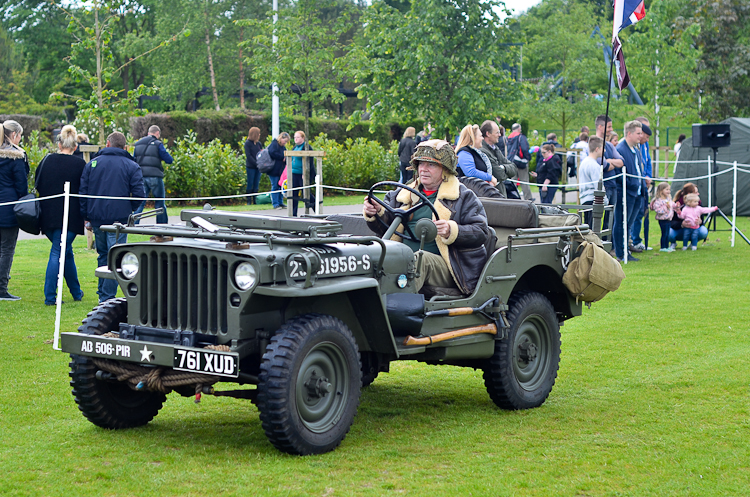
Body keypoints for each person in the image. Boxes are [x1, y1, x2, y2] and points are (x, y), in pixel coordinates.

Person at [362, 139, 489, 295]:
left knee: (420, 260)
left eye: (431, 165)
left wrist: (451, 230)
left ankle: (395, 309)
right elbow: (385, 228)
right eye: (420, 164)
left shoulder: (463, 196)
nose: (423, 169)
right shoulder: (402, 195)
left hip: (450, 268)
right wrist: (376, 212)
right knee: (370, 257)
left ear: (445, 170)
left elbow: (482, 232)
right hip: (401, 257)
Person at [80, 131, 145, 302]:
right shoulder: (131, 165)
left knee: (103, 255)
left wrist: (86, 216)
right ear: (124, 147)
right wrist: (127, 209)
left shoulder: (92, 164)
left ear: (107, 144)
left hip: (97, 217)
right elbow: (139, 194)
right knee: (115, 257)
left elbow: (83, 193)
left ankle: (104, 295)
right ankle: (106, 297)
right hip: (119, 220)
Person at [35, 125, 86, 305]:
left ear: (59, 144)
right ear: (75, 146)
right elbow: (85, 190)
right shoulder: (80, 165)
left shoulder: (46, 160)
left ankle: (76, 292)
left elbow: (37, 183)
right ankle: (50, 297)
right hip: (70, 218)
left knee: (66, 252)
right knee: (59, 252)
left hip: (47, 216)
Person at [0, 120, 28, 301]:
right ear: (14, 135)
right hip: (9, 208)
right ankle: (2, 288)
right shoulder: (15, 157)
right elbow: (21, 186)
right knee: (7, 249)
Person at [613, 120, 647, 262]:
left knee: (629, 223)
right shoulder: (621, 149)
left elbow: (638, 168)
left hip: (637, 192)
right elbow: (618, 173)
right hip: (626, 192)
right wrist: (630, 184)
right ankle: (620, 253)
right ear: (629, 133)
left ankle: (626, 250)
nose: (641, 136)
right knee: (621, 222)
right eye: (638, 133)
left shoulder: (636, 148)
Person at [132, 125, 173, 224]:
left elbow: (134, 160)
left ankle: (134, 224)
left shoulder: (138, 144)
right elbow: (169, 160)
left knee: (140, 202)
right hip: (155, 176)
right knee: (159, 202)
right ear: (157, 133)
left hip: (141, 176)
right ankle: (162, 225)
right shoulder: (158, 144)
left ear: (148, 132)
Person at [595, 115, 624, 238]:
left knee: (610, 220)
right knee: (597, 219)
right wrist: (610, 162)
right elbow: (602, 164)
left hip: (613, 185)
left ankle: (608, 247)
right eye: (609, 126)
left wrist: (609, 160)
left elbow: (621, 161)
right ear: (600, 127)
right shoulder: (593, 143)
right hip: (602, 186)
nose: (611, 129)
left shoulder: (609, 145)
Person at [630, 118, 653, 252]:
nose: (646, 136)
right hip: (635, 183)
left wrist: (647, 176)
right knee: (635, 213)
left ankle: (639, 240)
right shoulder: (632, 145)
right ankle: (634, 240)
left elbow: (647, 161)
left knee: (642, 212)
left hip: (644, 182)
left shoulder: (645, 145)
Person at [480, 120, 517, 198]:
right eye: (497, 132)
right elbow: (499, 175)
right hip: (491, 196)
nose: (500, 135)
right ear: (488, 134)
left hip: (500, 194)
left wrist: (503, 167)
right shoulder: (482, 151)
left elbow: (514, 167)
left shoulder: (495, 148)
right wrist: (506, 170)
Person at [578, 136, 606, 227]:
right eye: (603, 148)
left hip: (584, 200)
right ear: (597, 149)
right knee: (593, 230)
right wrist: (605, 201)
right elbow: (598, 187)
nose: (604, 151)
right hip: (593, 201)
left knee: (587, 228)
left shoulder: (583, 163)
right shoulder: (594, 166)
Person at [669, 182, 709, 248]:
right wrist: (681, 224)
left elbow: (701, 220)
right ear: (689, 194)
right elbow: (671, 222)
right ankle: (673, 243)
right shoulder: (677, 204)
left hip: (693, 229)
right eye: (696, 192)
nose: (698, 194)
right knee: (668, 232)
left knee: (703, 231)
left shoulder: (698, 203)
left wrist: (699, 222)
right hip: (679, 230)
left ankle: (693, 243)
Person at [290, 130, 317, 217]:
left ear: (303, 138)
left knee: (306, 192)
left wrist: (305, 173)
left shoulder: (306, 147)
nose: (296, 139)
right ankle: (293, 214)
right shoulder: (294, 148)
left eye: (298, 137)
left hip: (303, 174)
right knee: (294, 193)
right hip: (295, 173)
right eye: (295, 137)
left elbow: (310, 162)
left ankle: (316, 208)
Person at [507, 123, 533, 200]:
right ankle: (528, 198)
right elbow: (525, 148)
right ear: (519, 129)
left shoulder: (508, 138)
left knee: (513, 181)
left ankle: (513, 197)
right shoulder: (521, 137)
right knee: (524, 181)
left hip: (511, 161)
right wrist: (528, 158)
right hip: (520, 161)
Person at [649, 182, 676, 252]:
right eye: (666, 189)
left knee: (667, 233)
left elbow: (672, 205)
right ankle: (663, 247)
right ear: (661, 191)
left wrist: (676, 206)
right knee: (664, 233)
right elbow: (658, 210)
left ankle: (667, 246)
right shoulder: (658, 201)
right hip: (663, 219)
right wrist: (665, 208)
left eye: (669, 189)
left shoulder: (668, 199)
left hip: (669, 218)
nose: (668, 191)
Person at [267, 132, 290, 209]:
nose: (285, 143)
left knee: (280, 186)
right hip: (274, 170)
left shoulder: (282, 147)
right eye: (285, 141)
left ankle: (280, 202)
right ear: (281, 138)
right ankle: (275, 203)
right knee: (275, 186)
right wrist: (281, 157)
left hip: (280, 170)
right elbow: (272, 153)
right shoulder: (274, 144)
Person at [244, 127, 262, 205]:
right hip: (251, 166)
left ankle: (255, 200)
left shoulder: (259, 144)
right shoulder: (247, 143)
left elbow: (261, 154)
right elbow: (249, 155)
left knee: (256, 183)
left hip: (258, 167)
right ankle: (248, 200)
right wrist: (256, 163)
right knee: (250, 182)